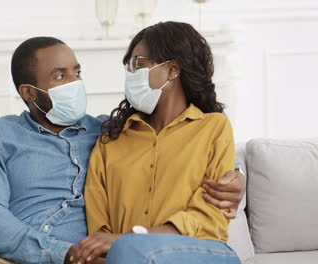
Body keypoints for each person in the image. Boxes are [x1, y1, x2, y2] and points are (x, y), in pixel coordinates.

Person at [0, 36, 245, 264]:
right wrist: (60, 253)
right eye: (60, 76)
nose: (75, 82)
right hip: (0, 254)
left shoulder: (110, 132)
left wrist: (236, 177)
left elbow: (170, 144)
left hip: (86, 257)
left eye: (77, 72)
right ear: (29, 93)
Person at [72, 22, 241, 264]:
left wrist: (133, 238)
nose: (131, 75)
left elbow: (211, 218)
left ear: (172, 69)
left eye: (138, 65)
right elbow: (99, 231)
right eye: (129, 68)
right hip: (126, 257)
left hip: (202, 252)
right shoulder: (111, 141)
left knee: (129, 250)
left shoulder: (213, 128)